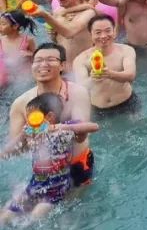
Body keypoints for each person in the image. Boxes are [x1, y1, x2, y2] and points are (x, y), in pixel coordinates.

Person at [5, 44, 95, 187]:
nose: (43, 64)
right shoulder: (21, 103)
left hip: (77, 166)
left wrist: (55, 128)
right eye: (38, 60)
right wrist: (27, 135)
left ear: (62, 65)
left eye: (50, 59)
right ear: (32, 65)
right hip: (44, 172)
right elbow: (12, 152)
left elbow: (81, 135)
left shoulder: (77, 93)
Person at [0, 93, 99, 223]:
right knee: (7, 214)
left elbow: (94, 127)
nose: (28, 121)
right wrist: (22, 135)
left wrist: (58, 127)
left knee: (37, 214)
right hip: (35, 184)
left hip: (57, 187)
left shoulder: (63, 130)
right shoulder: (31, 133)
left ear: (49, 117)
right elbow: (7, 152)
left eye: (32, 118)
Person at [72, 14, 138, 114]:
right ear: (91, 35)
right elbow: (81, 87)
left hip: (127, 102)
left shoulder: (126, 50)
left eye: (108, 31)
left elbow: (131, 75)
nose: (103, 36)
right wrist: (93, 79)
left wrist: (110, 74)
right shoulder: (81, 59)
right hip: (99, 108)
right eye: (98, 32)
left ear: (114, 31)